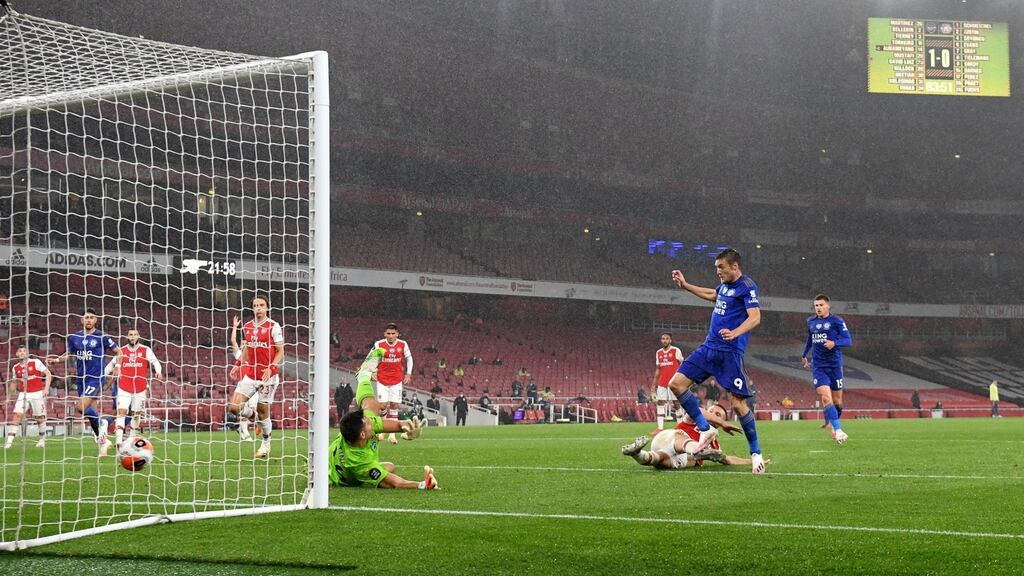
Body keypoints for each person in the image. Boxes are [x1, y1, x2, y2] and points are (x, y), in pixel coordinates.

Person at [666, 249, 766, 474]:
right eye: (716, 268)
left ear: (734, 267)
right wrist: (686, 285)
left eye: (721, 267)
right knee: (676, 384)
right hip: (708, 348)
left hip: (729, 353)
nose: (718, 271)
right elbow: (713, 294)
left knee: (739, 404)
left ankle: (756, 454)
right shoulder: (725, 288)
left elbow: (755, 317)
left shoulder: (747, 286)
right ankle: (705, 428)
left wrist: (735, 332)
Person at [48, 308, 122, 456]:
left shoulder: (102, 336)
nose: (89, 320)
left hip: (95, 379)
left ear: (95, 320)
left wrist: (117, 366)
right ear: (82, 320)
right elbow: (69, 354)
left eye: (91, 318)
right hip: (81, 379)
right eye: (86, 318)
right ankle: (103, 444)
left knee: (80, 406)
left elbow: (119, 352)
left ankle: (102, 424)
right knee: (91, 413)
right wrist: (56, 360)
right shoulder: (75, 337)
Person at [228, 295, 285, 459]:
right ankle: (252, 417)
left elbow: (280, 350)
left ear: (266, 307)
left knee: (263, 411)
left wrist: (271, 367)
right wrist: (238, 364)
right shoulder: (247, 327)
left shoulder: (273, 326)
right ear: (252, 308)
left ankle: (265, 444)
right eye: (255, 305)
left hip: (268, 377)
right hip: (250, 375)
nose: (258, 308)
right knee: (233, 407)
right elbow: (246, 349)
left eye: (261, 305)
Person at [622, 404, 762, 470]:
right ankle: (698, 450)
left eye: (717, 415)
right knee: (686, 442)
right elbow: (697, 410)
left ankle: (637, 453)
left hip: (673, 455)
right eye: (711, 411)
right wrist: (723, 422)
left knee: (660, 460)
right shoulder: (694, 419)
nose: (712, 414)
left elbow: (728, 459)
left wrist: (753, 461)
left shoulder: (714, 443)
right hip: (668, 438)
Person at [329, 409, 434, 489]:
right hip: (335, 475)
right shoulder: (359, 463)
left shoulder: (355, 431)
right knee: (385, 481)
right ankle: (367, 481)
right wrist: (422, 485)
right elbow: (396, 483)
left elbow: (398, 424)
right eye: (369, 423)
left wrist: (409, 427)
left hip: (336, 460)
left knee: (390, 467)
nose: (371, 421)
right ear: (362, 434)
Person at [801, 294, 852, 444]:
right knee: (825, 397)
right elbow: (810, 339)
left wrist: (834, 343)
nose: (818, 308)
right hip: (818, 366)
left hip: (835, 365)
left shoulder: (837, 321)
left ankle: (834, 425)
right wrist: (804, 354)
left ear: (828, 306)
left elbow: (848, 340)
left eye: (821, 305)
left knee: (837, 402)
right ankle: (838, 429)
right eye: (816, 305)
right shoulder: (810, 321)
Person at [105, 328, 162, 448]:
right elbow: (111, 364)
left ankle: (131, 438)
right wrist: (103, 375)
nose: (133, 337)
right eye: (130, 335)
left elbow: (155, 362)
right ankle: (119, 441)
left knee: (136, 414)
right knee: (122, 412)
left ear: (138, 336)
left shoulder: (146, 350)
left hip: (140, 388)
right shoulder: (122, 351)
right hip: (124, 387)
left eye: (135, 335)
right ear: (127, 337)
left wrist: (158, 371)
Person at [369, 323, 413, 445]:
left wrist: (408, 374)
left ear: (397, 334)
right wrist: (373, 371)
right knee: (382, 406)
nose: (391, 335)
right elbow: (371, 357)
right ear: (385, 334)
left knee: (394, 405)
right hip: (382, 379)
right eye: (388, 333)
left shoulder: (403, 344)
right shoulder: (379, 344)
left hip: (397, 380)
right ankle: (382, 429)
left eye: (393, 333)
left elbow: (409, 358)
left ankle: (392, 435)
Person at [6, 345, 52, 449]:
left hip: (37, 393)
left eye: (24, 351)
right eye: (20, 351)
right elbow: (13, 383)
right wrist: (9, 397)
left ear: (27, 353)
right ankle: (8, 443)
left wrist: (46, 389)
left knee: (39, 418)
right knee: (17, 416)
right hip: (23, 394)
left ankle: (41, 440)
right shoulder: (15, 367)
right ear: (17, 354)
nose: (22, 353)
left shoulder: (35, 362)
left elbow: (48, 374)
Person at [229, 314, 260, 441]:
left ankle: (242, 429)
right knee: (242, 410)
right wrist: (235, 327)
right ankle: (245, 433)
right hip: (243, 385)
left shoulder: (254, 357)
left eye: (245, 343)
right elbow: (233, 341)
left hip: (254, 385)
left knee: (253, 411)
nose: (243, 345)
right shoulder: (239, 356)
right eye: (242, 344)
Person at [651, 332, 685, 433]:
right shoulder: (658, 353)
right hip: (662, 382)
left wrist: (681, 381)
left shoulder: (676, 350)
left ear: (670, 340)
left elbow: (682, 366)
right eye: (663, 339)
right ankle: (660, 428)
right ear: (661, 340)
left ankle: (680, 426)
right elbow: (658, 370)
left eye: (667, 339)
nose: (665, 340)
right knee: (660, 402)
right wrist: (654, 385)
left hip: (673, 382)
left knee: (676, 404)